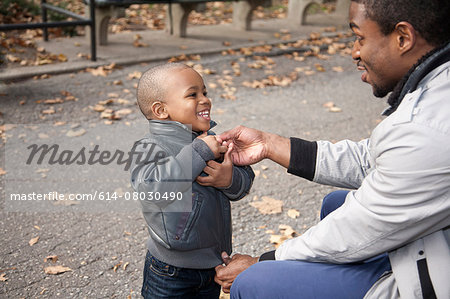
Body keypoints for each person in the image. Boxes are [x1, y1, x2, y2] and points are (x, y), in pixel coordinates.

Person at [214, 0, 450, 298]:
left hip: (435, 278)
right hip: (432, 245)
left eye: (360, 37)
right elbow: (372, 161)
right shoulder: (437, 91)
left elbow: (359, 229)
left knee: (254, 283)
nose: (354, 51)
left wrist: (263, 261)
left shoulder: (426, 127)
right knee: (336, 203)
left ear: (403, 38)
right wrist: (269, 145)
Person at [130, 63, 254, 298]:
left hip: (213, 264)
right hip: (170, 271)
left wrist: (229, 180)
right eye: (192, 94)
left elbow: (245, 179)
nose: (205, 99)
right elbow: (153, 192)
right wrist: (199, 151)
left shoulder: (211, 141)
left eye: (205, 92)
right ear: (160, 110)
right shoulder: (150, 148)